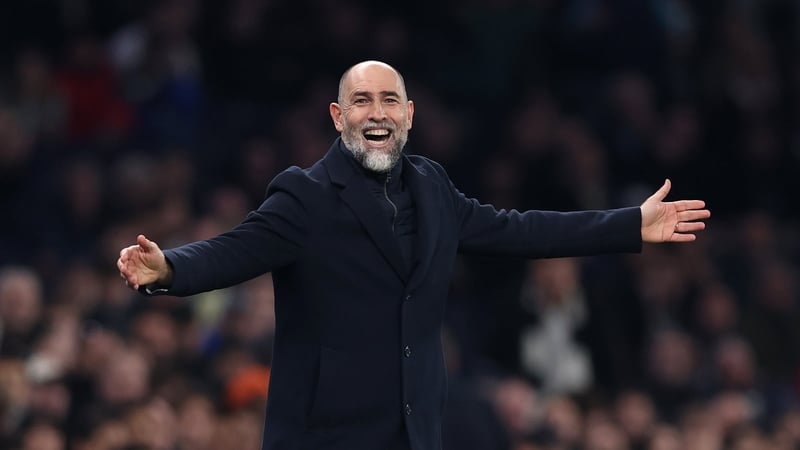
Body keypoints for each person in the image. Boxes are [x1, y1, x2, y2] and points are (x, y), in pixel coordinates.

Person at [117, 60, 710, 450]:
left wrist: (630, 224)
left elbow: (523, 231)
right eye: (363, 101)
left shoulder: (434, 189)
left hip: (413, 431)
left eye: (389, 101)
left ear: (408, 115)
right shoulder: (305, 195)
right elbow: (233, 251)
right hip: (324, 437)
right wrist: (169, 267)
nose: (377, 113)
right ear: (338, 116)